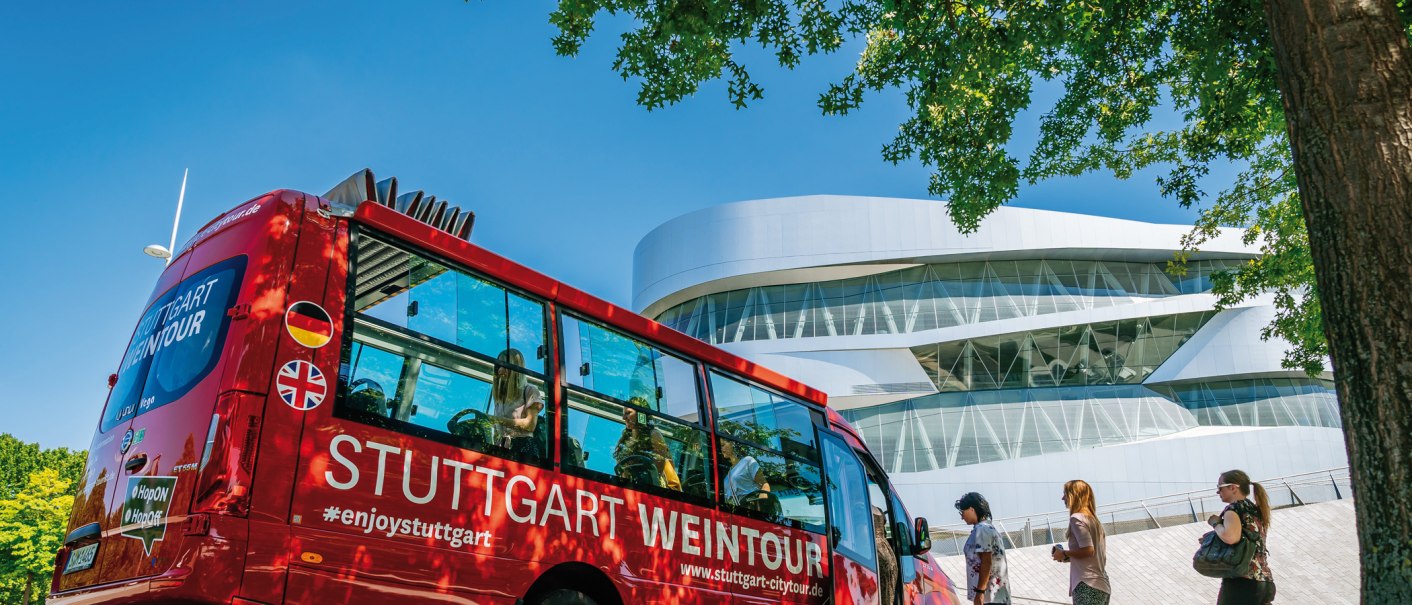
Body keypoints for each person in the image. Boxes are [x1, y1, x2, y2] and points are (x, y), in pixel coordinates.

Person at [1210, 469, 1276, 604]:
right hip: (1264, 581)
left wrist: (1215, 523)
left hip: (1242, 582)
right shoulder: (1254, 510)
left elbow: (1230, 537)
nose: (1218, 492)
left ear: (1233, 487)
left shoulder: (1234, 509)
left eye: (1220, 487)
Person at [1051, 480, 1111, 604]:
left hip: (1086, 584)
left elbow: (1088, 550)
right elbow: (1091, 555)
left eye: (1065, 494)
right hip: (1101, 585)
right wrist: (1066, 556)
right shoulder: (1094, 521)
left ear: (1074, 496)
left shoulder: (1076, 518)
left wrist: (1064, 553)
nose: (1062, 498)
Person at [612, 401, 682, 491]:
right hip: (629, 487)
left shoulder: (653, 434)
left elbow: (657, 470)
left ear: (641, 414)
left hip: (651, 489)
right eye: (623, 414)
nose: (623, 418)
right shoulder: (625, 440)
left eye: (628, 413)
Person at [957, 491, 1009, 605]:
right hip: (996, 596)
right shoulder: (988, 527)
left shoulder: (982, 529)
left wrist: (980, 592)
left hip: (989, 597)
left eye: (962, 512)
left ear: (971, 509)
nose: (961, 517)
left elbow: (986, 561)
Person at [720, 439, 770, 505]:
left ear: (732, 443)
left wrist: (760, 503)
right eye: (720, 447)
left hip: (749, 507)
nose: (721, 449)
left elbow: (764, 485)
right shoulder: (727, 475)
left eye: (723, 445)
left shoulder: (747, 461)